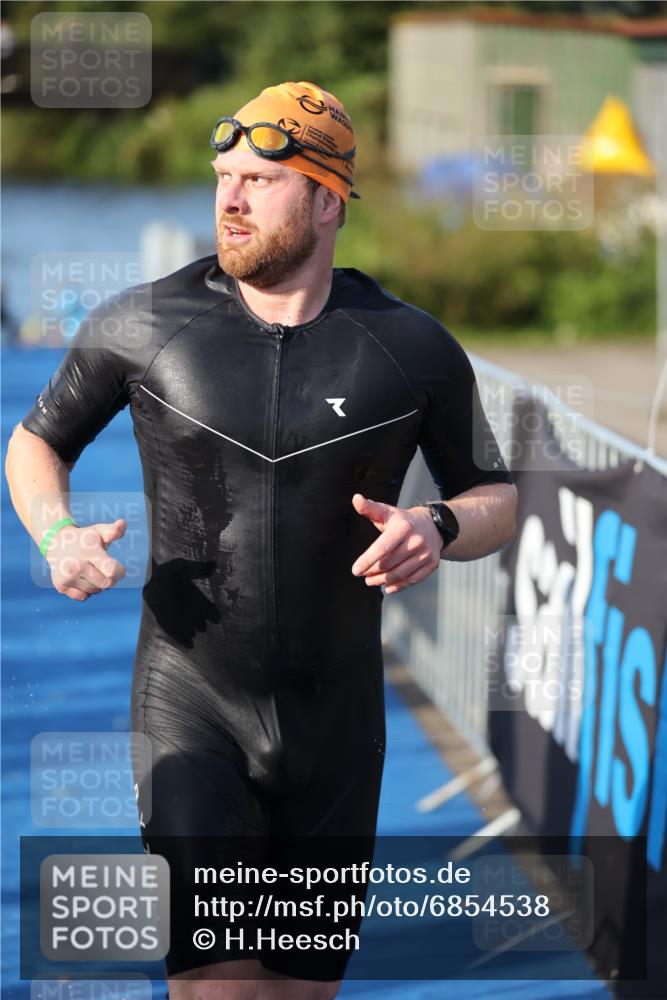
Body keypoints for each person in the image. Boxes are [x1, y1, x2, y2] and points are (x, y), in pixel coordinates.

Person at [6, 81, 517, 999]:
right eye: (223, 177)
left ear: (327, 201)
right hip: (191, 707)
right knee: (215, 988)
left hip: (336, 723)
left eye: (259, 180)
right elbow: (37, 440)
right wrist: (57, 535)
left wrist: (437, 527)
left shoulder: (410, 346)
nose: (229, 199)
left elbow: (494, 496)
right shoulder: (145, 325)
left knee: (297, 992)